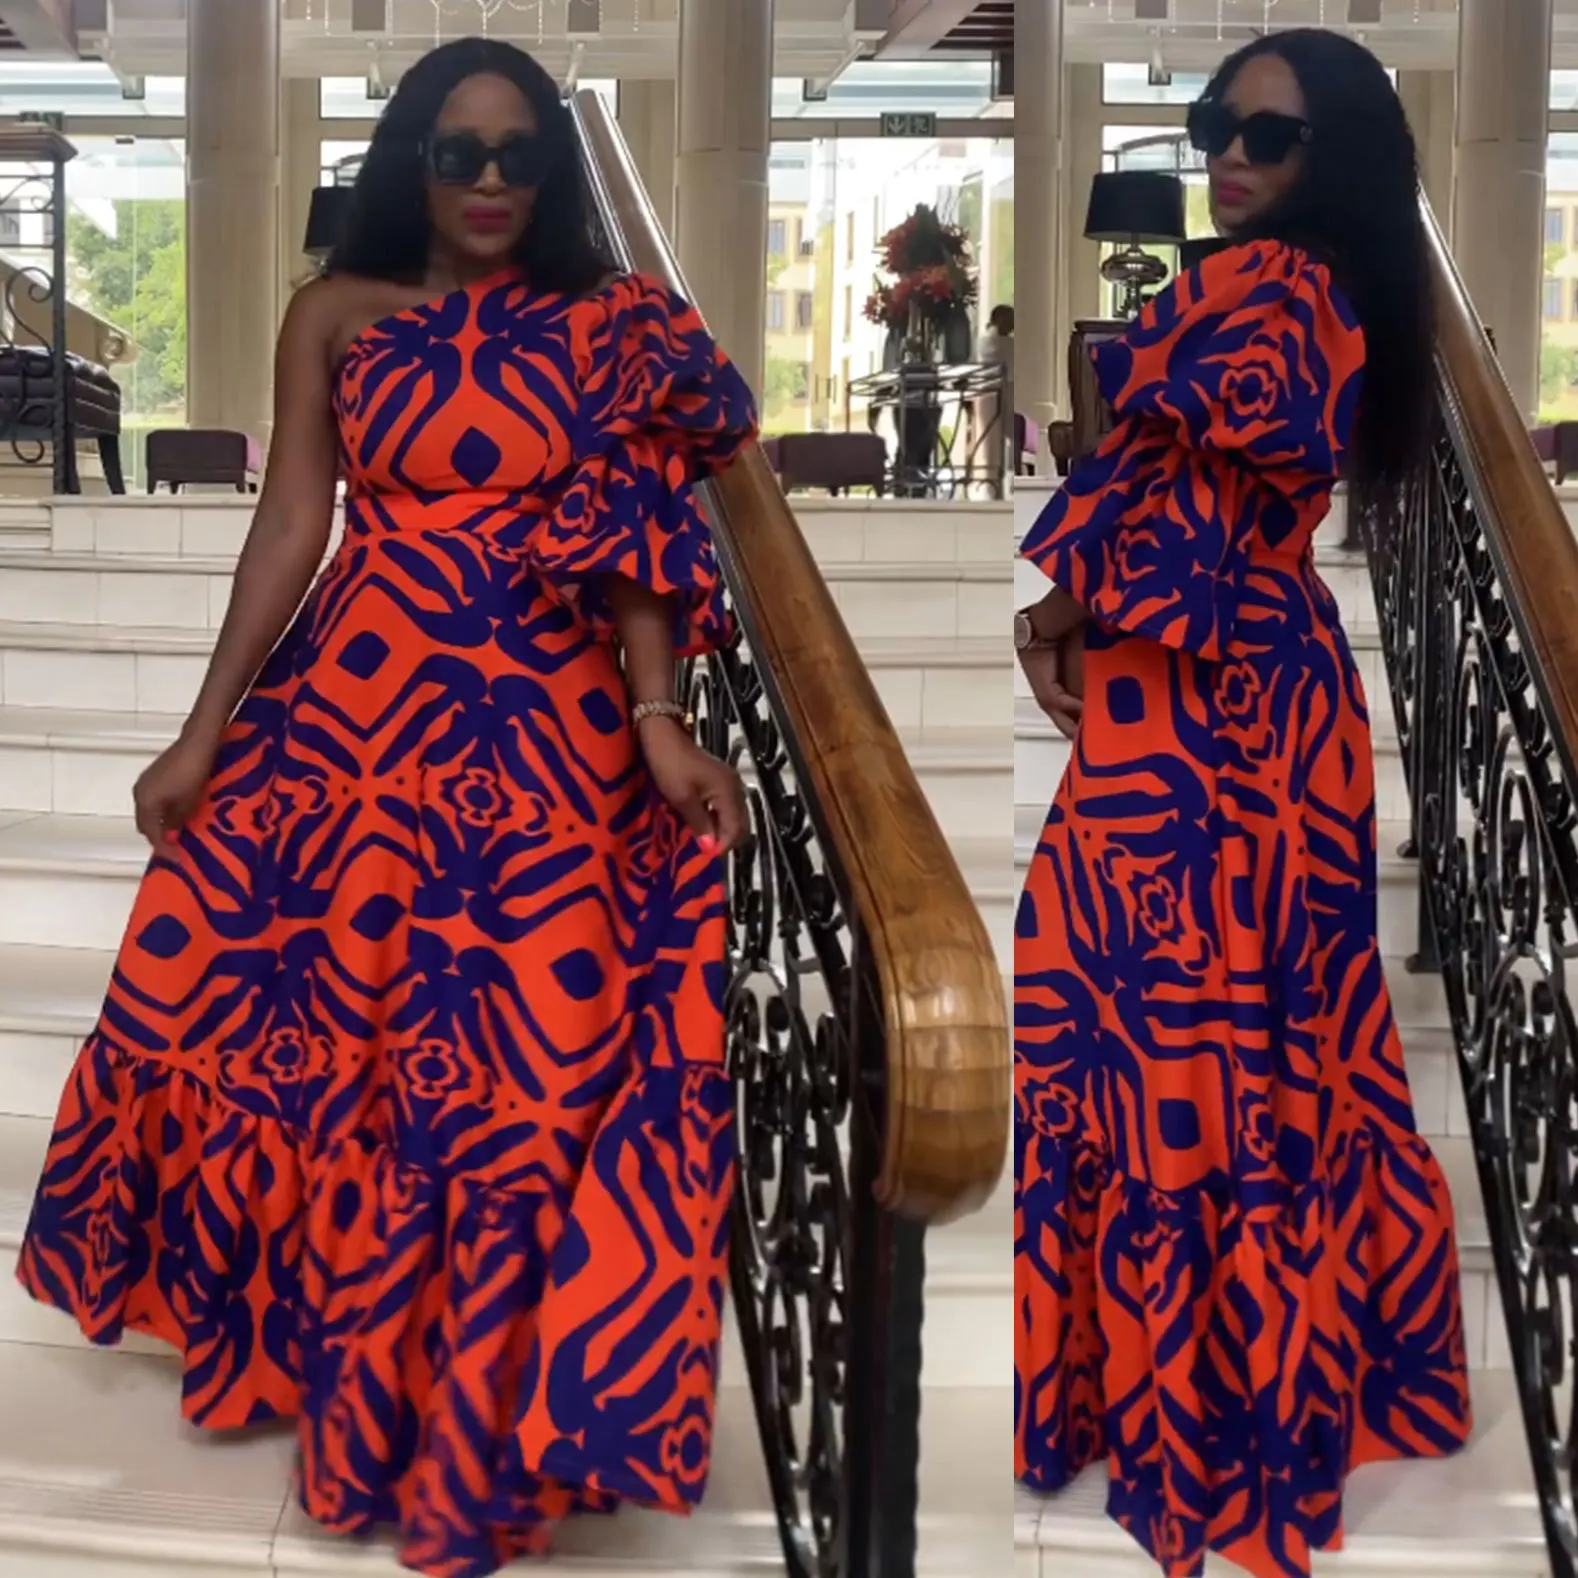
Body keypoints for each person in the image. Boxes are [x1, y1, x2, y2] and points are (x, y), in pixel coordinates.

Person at [16, 37, 757, 1578]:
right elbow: (295, 519)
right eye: (455, 151)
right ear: (408, 159)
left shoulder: (606, 323)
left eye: (517, 154)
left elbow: (636, 536)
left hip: (544, 727)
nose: (488, 181)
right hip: (352, 716)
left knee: (510, 1058)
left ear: (550, 173)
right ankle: (334, 1368)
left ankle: (482, 1413)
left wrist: (660, 720)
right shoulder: (334, 314)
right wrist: (201, 731)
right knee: (324, 1035)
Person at [1013, 30, 1471, 1578]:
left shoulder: (1269, 287)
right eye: (1216, 123)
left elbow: (1179, 508)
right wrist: (1070, 612)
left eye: (1265, 134)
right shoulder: (1332, 291)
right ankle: (1274, 1382)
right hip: (1254, 687)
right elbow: (1172, 491)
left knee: (1167, 1033)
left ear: (1333, 153)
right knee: (1258, 1038)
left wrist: (1053, 615)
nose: (1226, 154)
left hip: (1205, 706)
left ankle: (1200, 1418)